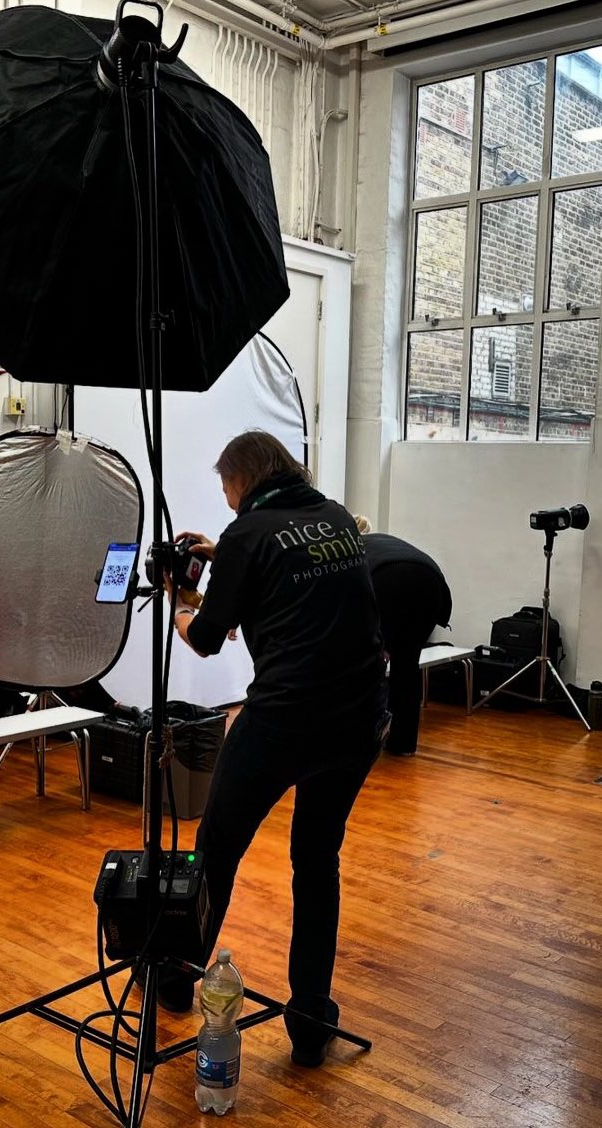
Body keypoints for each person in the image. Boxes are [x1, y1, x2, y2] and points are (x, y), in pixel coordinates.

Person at [165, 430, 388, 1068]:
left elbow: (209, 637)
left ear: (244, 479)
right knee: (317, 862)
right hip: (360, 716)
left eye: (226, 487)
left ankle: (178, 981)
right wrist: (225, 552)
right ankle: (311, 1022)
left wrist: (179, 602)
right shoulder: (334, 516)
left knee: (216, 853)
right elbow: (287, 571)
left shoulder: (248, 535)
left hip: (284, 720)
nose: (227, 499)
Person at [355, 518, 452, 757]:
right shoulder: (380, 541)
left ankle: (361, 741)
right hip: (431, 583)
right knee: (407, 668)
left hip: (386, 582)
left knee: (364, 669)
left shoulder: (351, 549)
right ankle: (403, 743)